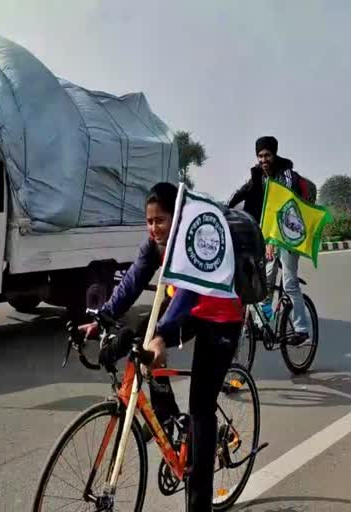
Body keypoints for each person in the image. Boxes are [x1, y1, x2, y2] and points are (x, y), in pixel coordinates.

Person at [79, 182, 243, 512]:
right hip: (188, 311)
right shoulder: (154, 244)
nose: (154, 228)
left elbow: (187, 294)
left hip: (220, 316)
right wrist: (103, 317)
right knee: (141, 342)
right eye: (150, 221)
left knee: (201, 406)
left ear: (178, 217)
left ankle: (200, 504)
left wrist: (163, 334)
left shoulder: (192, 239)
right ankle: (169, 423)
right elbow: (132, 281)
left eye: (161, 220)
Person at [226, 136, 309, 345]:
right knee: (265, 282)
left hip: (290, 232)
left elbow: (285, 205)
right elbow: (239, 194)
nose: (264, 160)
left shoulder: (286, 175)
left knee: (290, 283)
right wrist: (222, 212)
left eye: (267, 155)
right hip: (269, 234)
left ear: (274, 154)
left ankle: (301, 328)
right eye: (260, 156)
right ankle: (261, 326)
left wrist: (274, 240)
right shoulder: (259, 176)